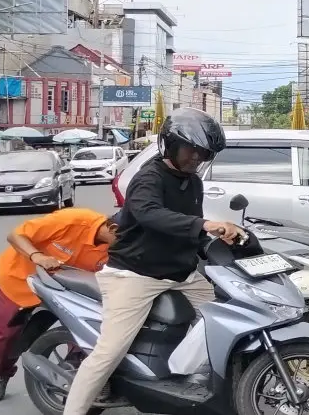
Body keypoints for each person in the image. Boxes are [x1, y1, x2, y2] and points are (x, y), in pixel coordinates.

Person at [63, 108, 237, 415]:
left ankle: (186, 379)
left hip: (180, 274)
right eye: (191, 150)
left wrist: (217, 241)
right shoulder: (148, 178)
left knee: (225, 319)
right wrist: (205, 224)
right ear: (170, 144)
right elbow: (151, 215)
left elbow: (189, 226)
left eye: (203, 153)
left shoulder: (193, 183)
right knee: (108, 352)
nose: (196, 158)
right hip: (134, 275)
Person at [0, 209, 119, 401]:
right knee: (7, 333)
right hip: (22, 280)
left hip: (70, 291)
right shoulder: (73, 220)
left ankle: (74, 379)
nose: (133, 243)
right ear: (113, 229)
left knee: (85, 331)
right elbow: (16, 235)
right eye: (130, 236)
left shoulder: (119, 250)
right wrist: (37, 256)